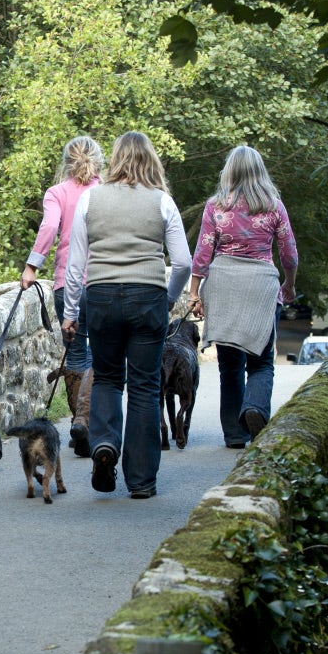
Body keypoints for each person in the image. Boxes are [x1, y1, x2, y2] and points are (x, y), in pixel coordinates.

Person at [63, 132, 191, 499]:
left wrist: (70, 313)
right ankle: (141, 480)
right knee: (145, 387)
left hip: (100, 297)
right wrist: (167, 299)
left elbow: (75, 266)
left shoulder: (90, 198)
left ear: (115, 159)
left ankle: (104, 444)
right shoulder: (162, 202)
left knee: (106, 378)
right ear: (151, 160)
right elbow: (182, 262)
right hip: (148, 297)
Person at [186, 145, 298, 447]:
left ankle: (234, 434)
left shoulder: (216, 206)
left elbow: (203, 251)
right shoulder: (274, 205)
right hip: (261, 286)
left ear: (229, 171)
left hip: (223, 285)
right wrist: (289, 284)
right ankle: (255, 409)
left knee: (230, 366)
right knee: (261, 363)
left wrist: (194, 292)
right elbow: (289, 254)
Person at [21, 135, 104, 457]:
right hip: (103, 282)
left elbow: (49, 227)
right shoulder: (107, 191)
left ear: (65, 162)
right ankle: (91, 423)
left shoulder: (57, 193)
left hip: (66, 284)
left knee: (78, 356)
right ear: (99, 159)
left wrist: (31, 267)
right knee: (102, 356)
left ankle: (78, 424)